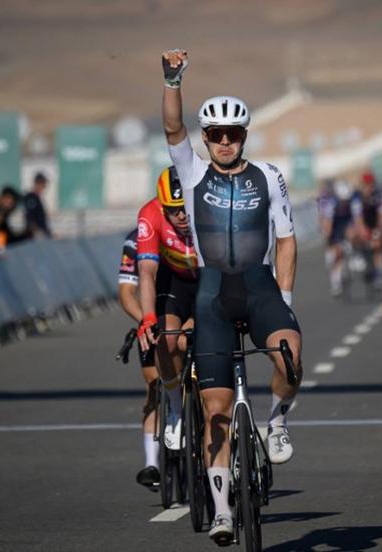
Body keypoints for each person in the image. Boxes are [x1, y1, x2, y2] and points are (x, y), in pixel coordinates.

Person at [161, 48, 302, 545]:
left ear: (244, 136)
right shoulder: (193, 173)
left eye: (233, 134)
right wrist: (172, 79)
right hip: (213, 294)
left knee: (290, 354)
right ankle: (222, 510)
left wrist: (285, 295)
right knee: (216, 410)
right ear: (206, 138)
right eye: (216, 135)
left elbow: (286, 238)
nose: (224, 141)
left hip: (261, 287)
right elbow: (172, 129)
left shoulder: (268, 176)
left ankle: (277, 421)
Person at [135, 166, 199, 458]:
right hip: (173, 281)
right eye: (175, 211)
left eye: (186, 208)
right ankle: (175, 405)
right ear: (162, 206)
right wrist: (148, 317)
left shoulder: (207, 209)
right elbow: (146, 272)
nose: (183, 217)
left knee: (198, 339)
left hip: (208, 278)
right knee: (168, 341)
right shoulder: (150, 214)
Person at [117, 227, 162, 490]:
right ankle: (152, 462)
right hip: (150, 315)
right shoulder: (135, 240)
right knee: (153, 386)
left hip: (185, 310)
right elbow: (126, 293)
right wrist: (146, 322)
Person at [318, 179, 359, 296]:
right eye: (343, 201)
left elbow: (357, 219)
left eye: (347, 200)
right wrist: (329, 237)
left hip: (347, 221)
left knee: (353, 233)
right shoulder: (331, 203)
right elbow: (328, 224)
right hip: (335, 224)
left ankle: (354, 255)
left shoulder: (353, 200)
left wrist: (357, 233)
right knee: (338, 255)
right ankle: (336, 283)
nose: (345, 203)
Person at [353, 171, 382, 288]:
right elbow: (357, 218)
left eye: (370, 185)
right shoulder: (357, 197)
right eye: (366, 185)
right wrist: (362, 231)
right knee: (354, 234)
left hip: (374, 223)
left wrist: (379, 229)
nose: (368, 188)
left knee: (378, 245)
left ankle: (379, 274)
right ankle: (358, 254)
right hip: (361, 223)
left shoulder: (378, 195)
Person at [24, 172, 52, 238]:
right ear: (37, 184)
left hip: (42, 234)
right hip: (35, 236)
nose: (44, 187)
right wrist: (36, 232)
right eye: (43, 184)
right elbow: (30, 217)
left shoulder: (37, 198)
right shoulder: (31, 197)